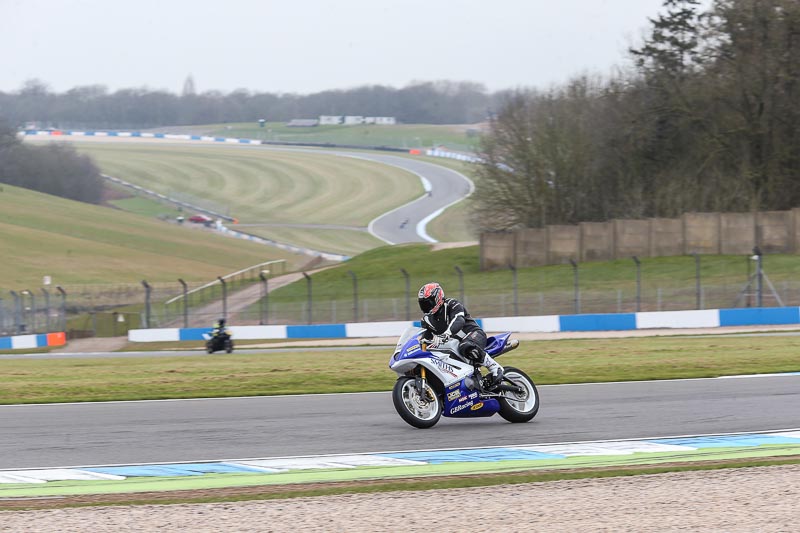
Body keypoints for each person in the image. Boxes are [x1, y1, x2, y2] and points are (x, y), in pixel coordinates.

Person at [417, 282, 504, 390]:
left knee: (465, 346)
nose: (426, 307)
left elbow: (459, 320)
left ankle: (494, 367)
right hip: (453, 344)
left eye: (428, 303)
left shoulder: (451, 304)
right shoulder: (426, 320)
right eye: (423, 304)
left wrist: (446, 334)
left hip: (474, 334)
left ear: (437, 298)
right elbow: (425, 337)